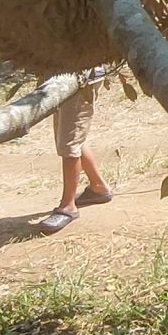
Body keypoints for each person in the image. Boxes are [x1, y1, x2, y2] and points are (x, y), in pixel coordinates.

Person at [35, 69, 115, 234]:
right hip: (64, 76)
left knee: (69, 143)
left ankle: (68, 206)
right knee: (70, 137)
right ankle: (99, 187)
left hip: (80, 78)